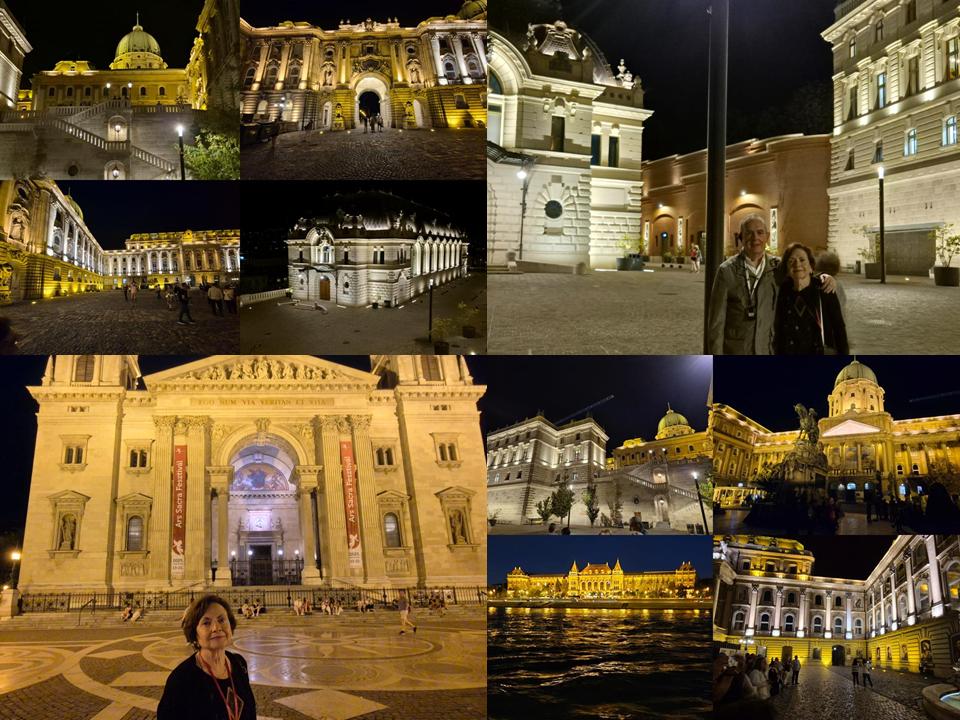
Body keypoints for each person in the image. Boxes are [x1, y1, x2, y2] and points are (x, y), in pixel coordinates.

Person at [707, 214, 836, 354]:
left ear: (767, 237)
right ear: (741, 238)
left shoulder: (778, 267)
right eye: (749, 233)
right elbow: (716, 324)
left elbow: (802, 274)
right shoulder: (726, 271)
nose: (755, 237)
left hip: (769, 350)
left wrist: (824, 277)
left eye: (760, 232)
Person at [157, 594, 256, 720]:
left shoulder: (239, 664)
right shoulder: (181, 679)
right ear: (194, 634)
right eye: (206, 623)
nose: (216, 628)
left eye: (221, 620)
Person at [774, 243, 848, 355]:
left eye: (802, 260)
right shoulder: (783, 291)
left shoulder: (824, 288)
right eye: (791, 261)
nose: (797, 264)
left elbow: (839, 328)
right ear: (787, 268)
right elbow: (779, 330)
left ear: (811, 266)